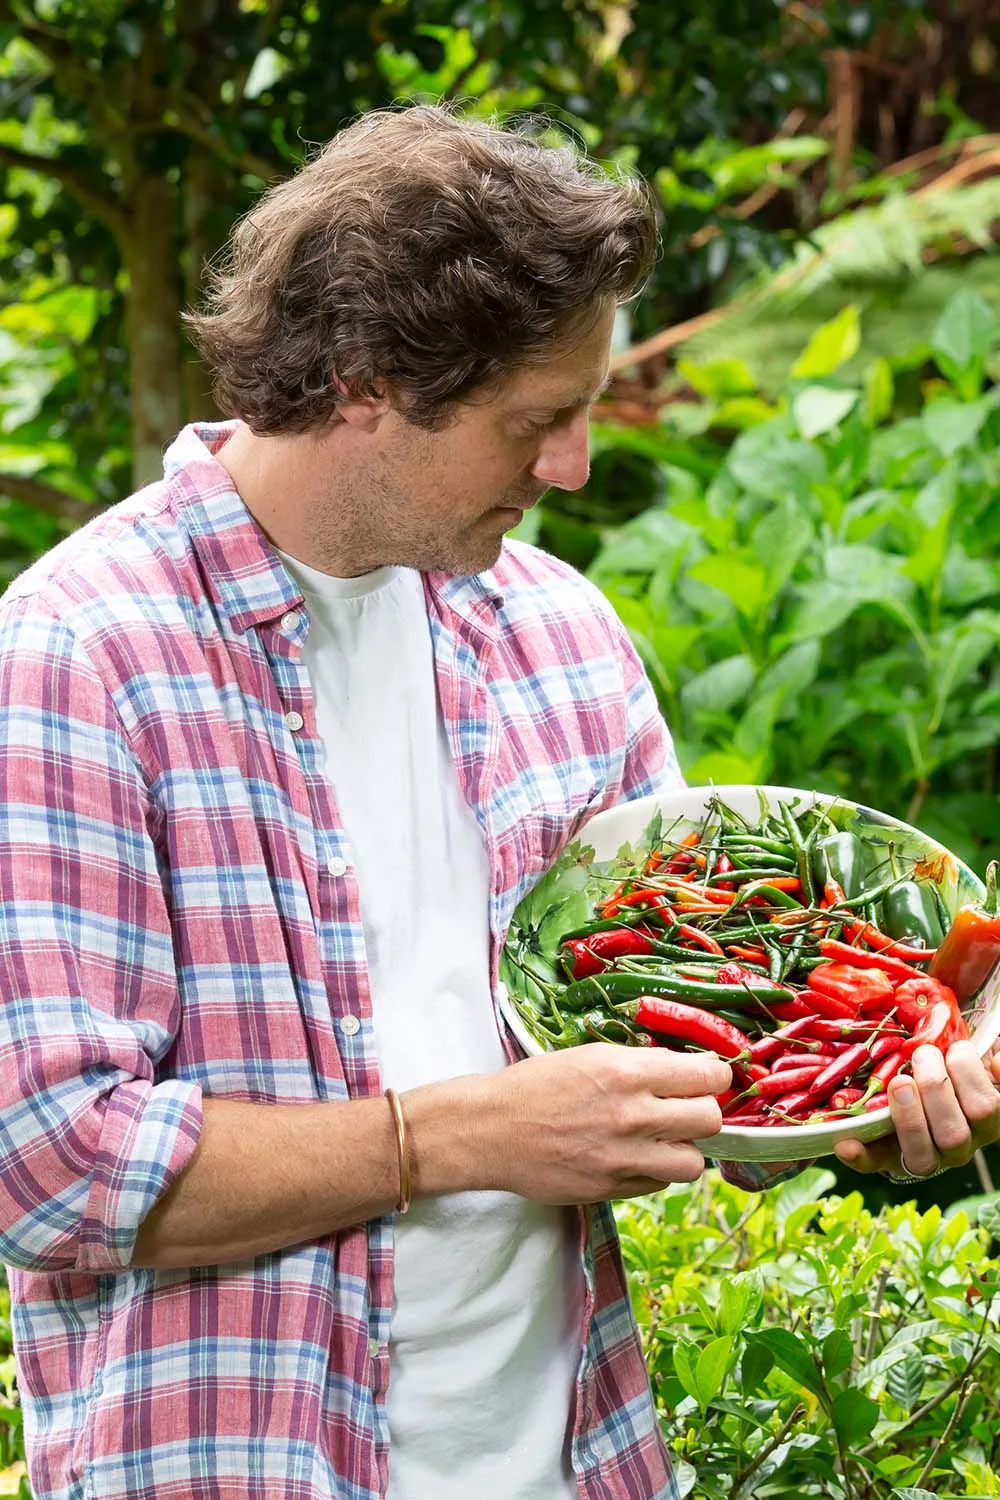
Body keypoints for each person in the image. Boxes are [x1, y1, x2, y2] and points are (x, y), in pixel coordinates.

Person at [0, 104, 997, 1500]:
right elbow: (49, 1167)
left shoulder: (559, 635)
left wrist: (861, 1103)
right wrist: (455, 1135)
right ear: (362, 382)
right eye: (538, 420)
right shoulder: (81, 655)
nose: (575, 465)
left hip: (571, 1464)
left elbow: (702, 1071)